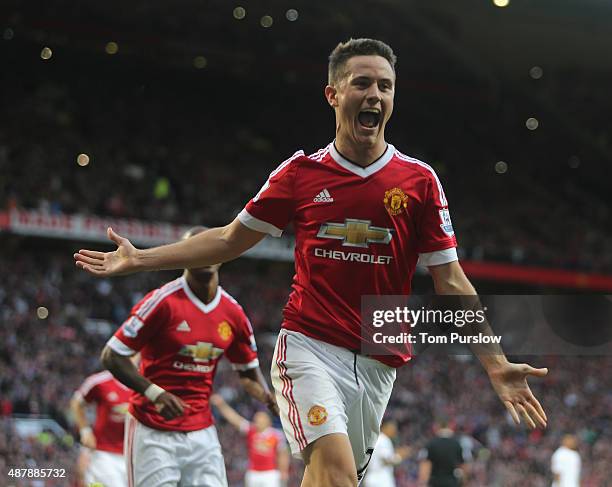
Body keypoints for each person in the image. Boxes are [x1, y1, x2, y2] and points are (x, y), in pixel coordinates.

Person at [74, 38, 549, 487]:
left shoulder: (419, 181)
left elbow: (450, 279)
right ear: (333, 93)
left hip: (380, 357)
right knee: (337, 469)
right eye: (362, 83)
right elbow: (227, 239)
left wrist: (495, 363)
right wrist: (140, 260)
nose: (375, 95)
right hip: (310, 346)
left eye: (385, 86)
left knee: (331, 479)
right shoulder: (301, 174)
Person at [99, 226, 277, 487]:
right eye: (193, 249)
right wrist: (154, 393)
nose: (202, 254)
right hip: (152, 429)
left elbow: (248, 373)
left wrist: (268, 397)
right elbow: (111, 356)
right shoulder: (162, 302)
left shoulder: (233, 313)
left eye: (208, 247)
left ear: (221, 255)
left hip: (202, 432)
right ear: (183, 255)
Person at [210, 393, 290, 487]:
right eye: (256, 418)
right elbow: (235, 419)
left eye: (261, 418)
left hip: (270, 473)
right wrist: (221, 405)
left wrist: (284, 471)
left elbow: (283, 454)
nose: (257, 420)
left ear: (268, 421)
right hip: (253, 473)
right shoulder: (251, 430)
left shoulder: (276, 434)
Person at [70, 370, 131, 487]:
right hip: (104, 453)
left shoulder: (147, 384)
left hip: (135, 455)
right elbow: (76, 402)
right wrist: (85, 431)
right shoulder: (99, 382)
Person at [417, 420, 465, 487]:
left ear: (436, 427)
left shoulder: (431, 444)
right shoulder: (457, 444)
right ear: (451, 426)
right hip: (452, 482)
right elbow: (463, 467)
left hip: (435, 483)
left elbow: (425, 466)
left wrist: (422, 483)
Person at [363, 420, 410, 487]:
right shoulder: (384, 439)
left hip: (372, 477)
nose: (394, 431)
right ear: (385, 427)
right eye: (392, 428)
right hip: (380, 479)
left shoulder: (376, 438)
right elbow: (386, 460)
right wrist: (400, 457)